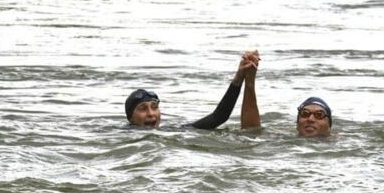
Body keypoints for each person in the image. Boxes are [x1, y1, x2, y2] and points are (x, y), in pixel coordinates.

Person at [125, 50, 260, 130]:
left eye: (154, 107)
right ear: (130, 118)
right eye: (143, 108)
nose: (150, 113)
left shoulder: (173, 131)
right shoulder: (121, 134)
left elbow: (219, 117)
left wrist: (239, 77)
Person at [235, 54, 333, 138]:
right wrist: (249, 80)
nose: (310, 119)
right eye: (305, 113)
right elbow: (251, 132)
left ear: (329, 125)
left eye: (319, 115)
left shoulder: (339, 142)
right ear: (297, 125)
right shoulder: (283, 138)